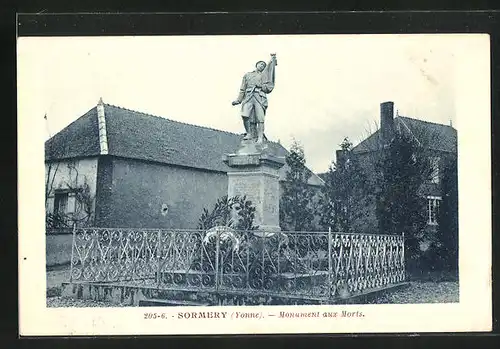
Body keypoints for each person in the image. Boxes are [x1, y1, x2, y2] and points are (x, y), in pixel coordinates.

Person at [232, 54, 277, 144]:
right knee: (245, 115)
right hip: (248, 97)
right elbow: (242, 89)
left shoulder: (265, 76)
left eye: (264, 66)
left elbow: (268, 88)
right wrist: (239, 100)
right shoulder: (247, 75)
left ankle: (260, 137)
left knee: (260, 118)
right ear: (256, 65)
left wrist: (260, 85)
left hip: (259, 97)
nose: (262, 66)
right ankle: (249, 133)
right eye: (260, 64)